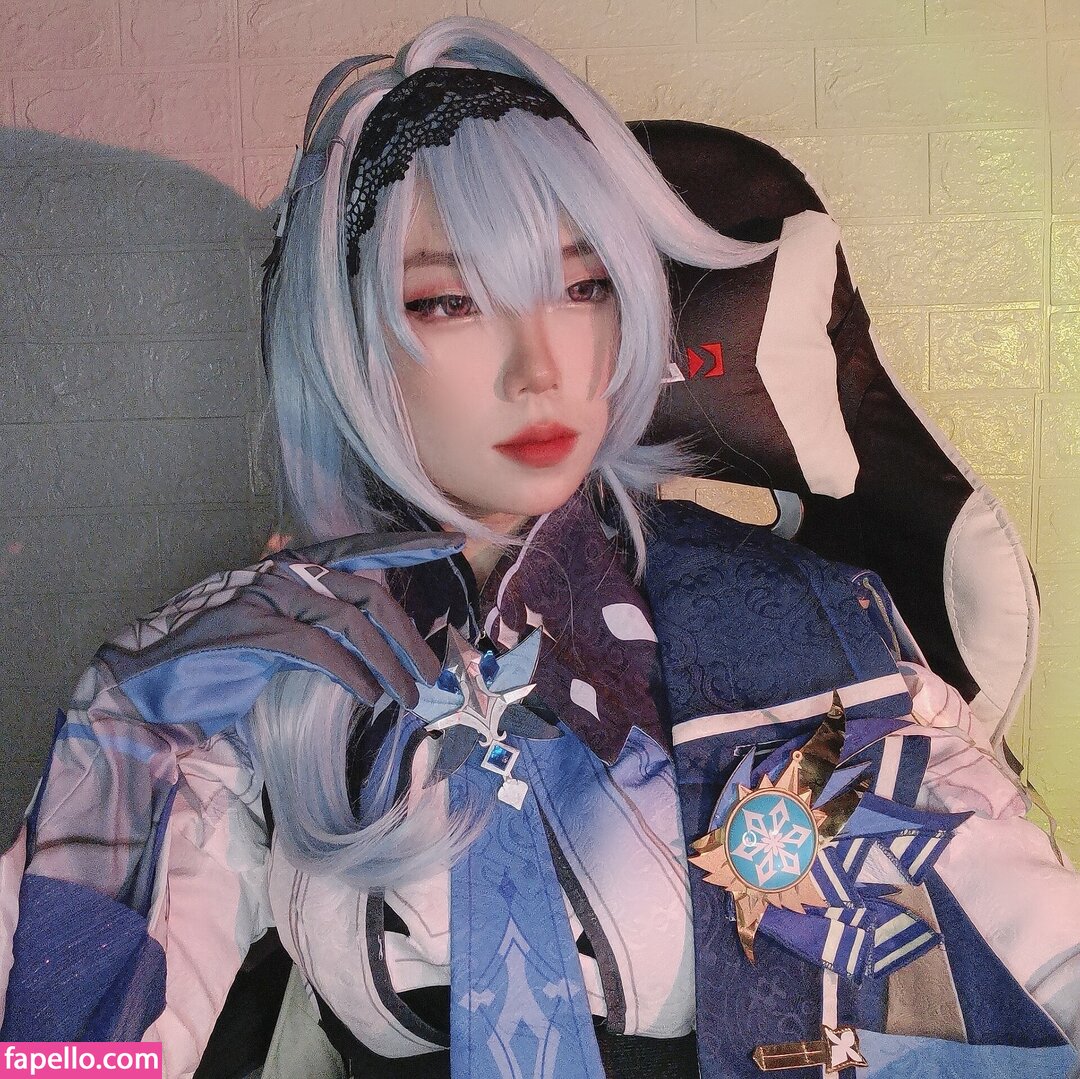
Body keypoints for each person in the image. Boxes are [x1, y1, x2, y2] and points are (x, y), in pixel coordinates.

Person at [1, 15, 1078, 1079]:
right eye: (450, 300)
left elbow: (1042, 949)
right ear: (347, 339)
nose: (543, 366)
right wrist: (134, 742)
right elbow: (74, 1049)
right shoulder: (239, 664)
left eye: (584, 286)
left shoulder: (800, 624)